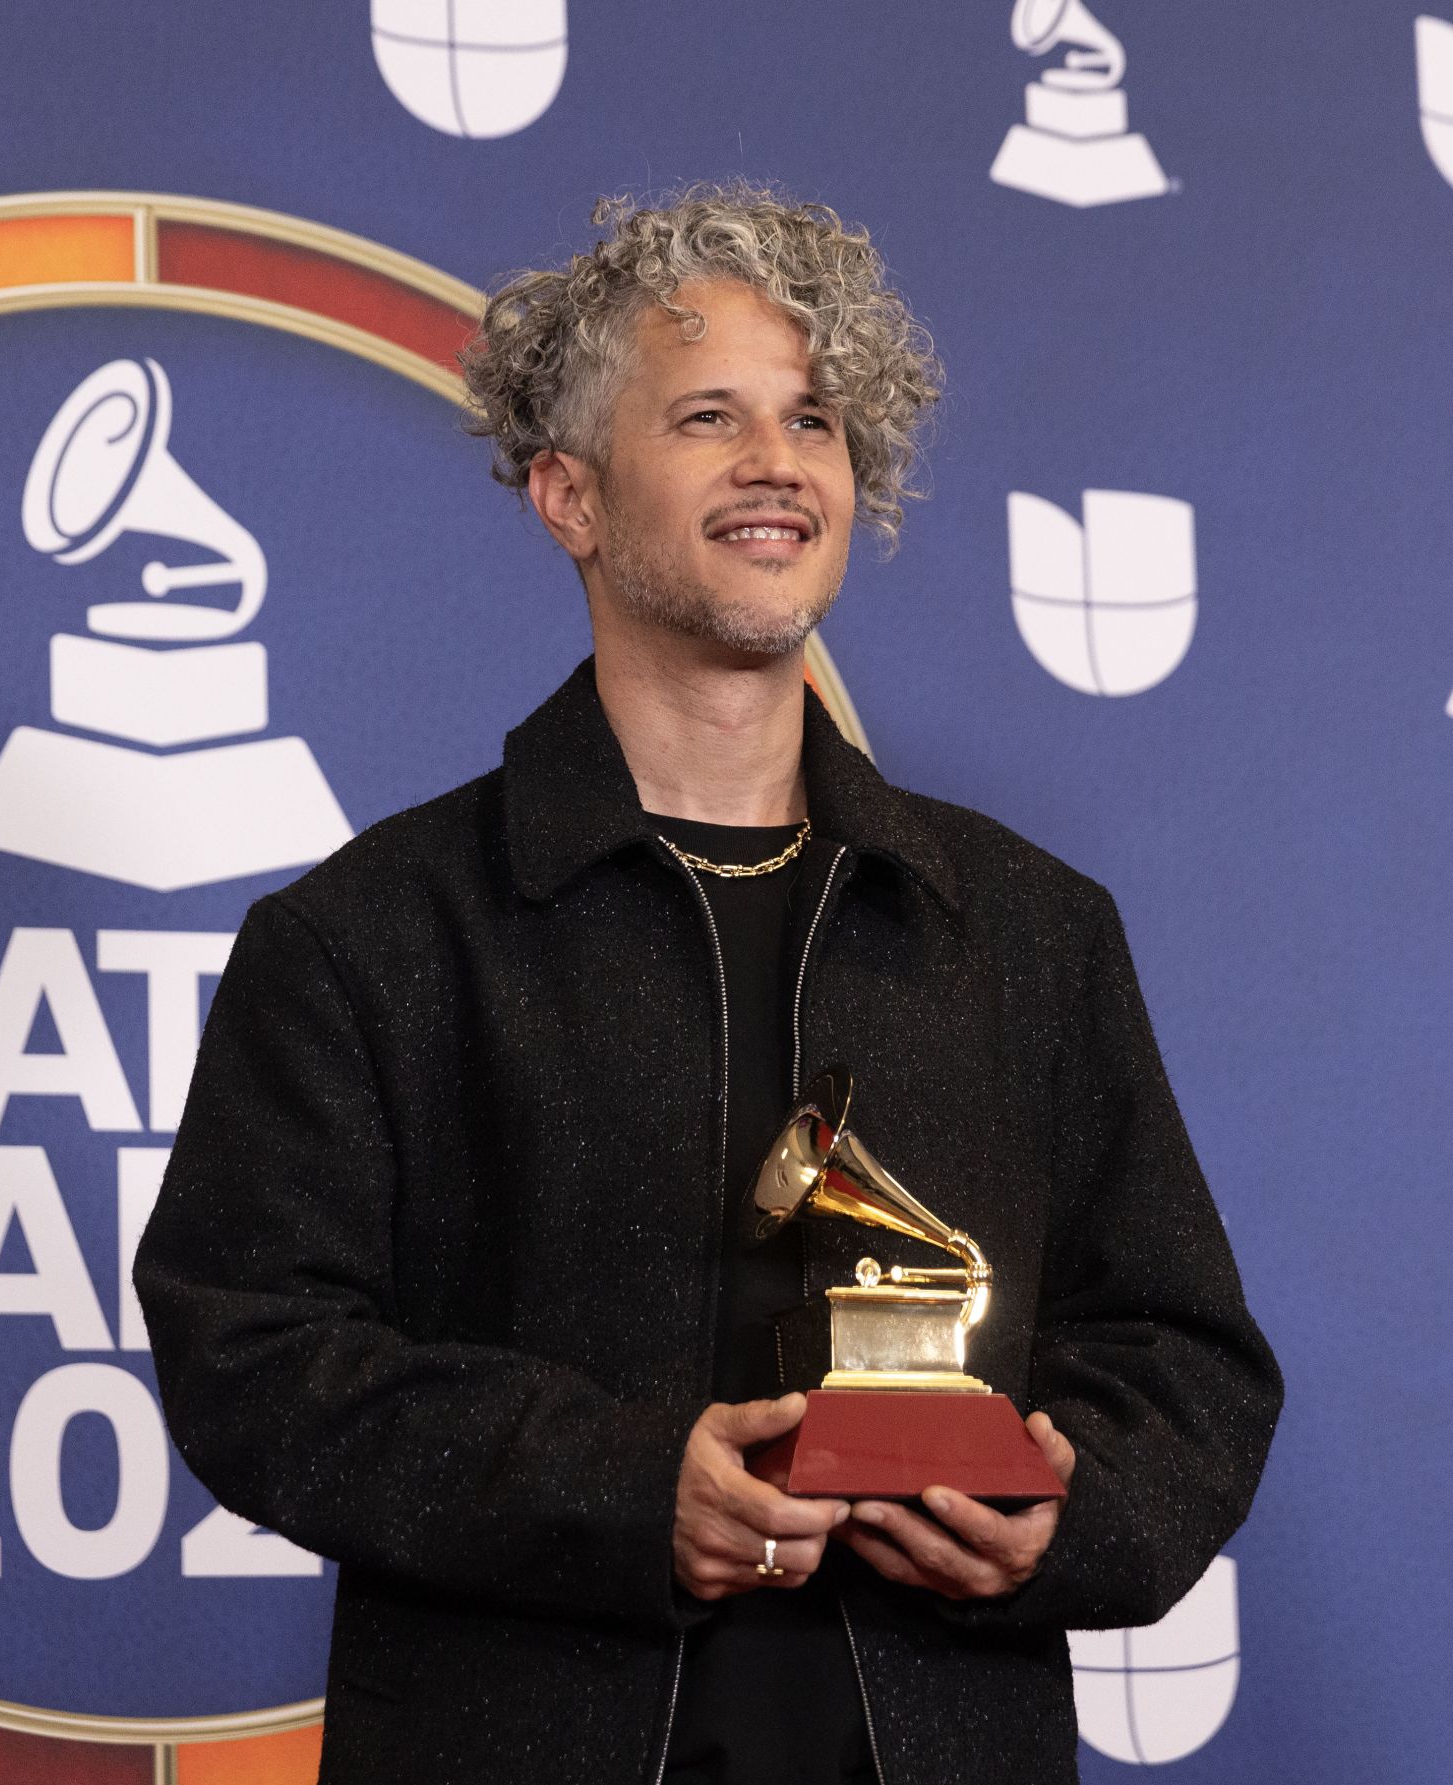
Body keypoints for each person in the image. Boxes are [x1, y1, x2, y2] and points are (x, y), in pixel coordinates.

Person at [134, 182, 1282, 1785]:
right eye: (708, 416)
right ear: (570, 495)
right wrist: (618, 1486)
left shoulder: (1028, 927)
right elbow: (248, 1355)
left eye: (813, 419)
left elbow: (1184, 1353)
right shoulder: (370, 932)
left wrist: (1061, 1516)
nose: (777, 463)